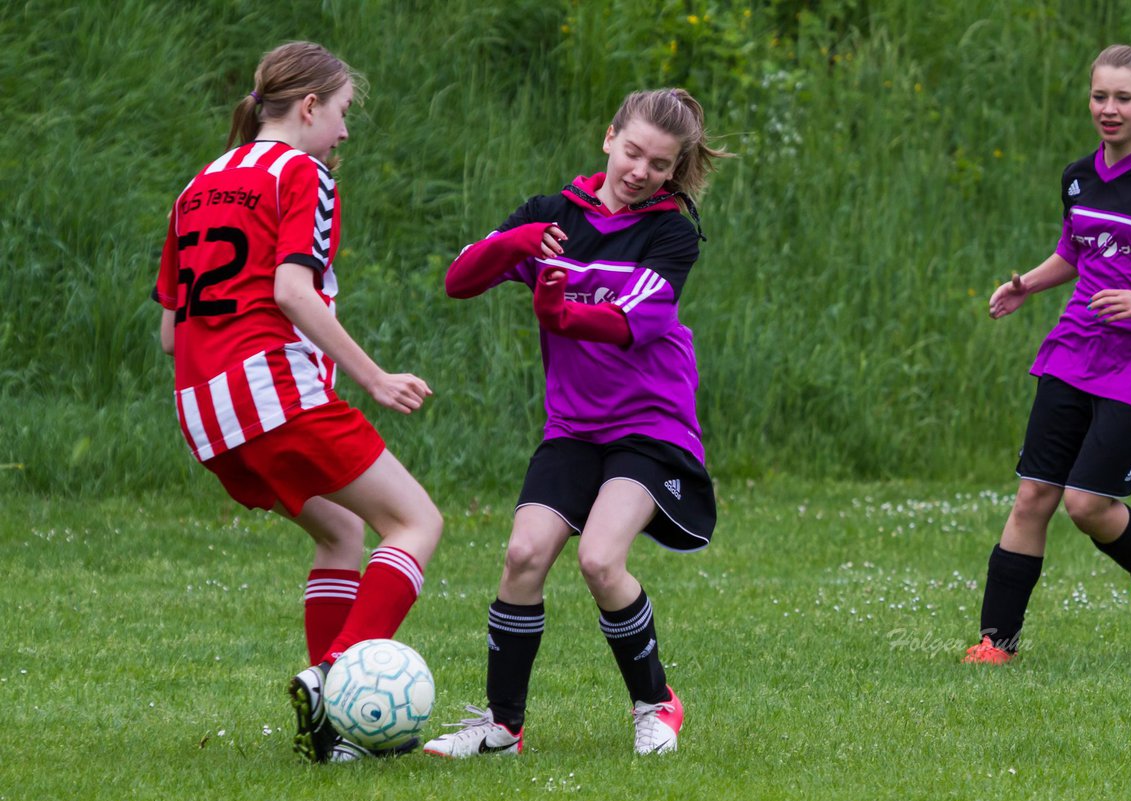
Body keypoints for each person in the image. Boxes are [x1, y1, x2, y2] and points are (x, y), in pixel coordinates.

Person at [152, 42, 444, 760]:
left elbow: (169, 333)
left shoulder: (195, 187)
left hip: (204, 412)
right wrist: (374, 378)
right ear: (310, 107)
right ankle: (334, 676)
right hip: (271, 395)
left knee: (342, 533)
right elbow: (290, 291)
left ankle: (331, 736)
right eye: (342, 113)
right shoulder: (302, 173)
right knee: (415, 522)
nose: (345, 131)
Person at [422, 88, 729, 756]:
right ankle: (503, 728)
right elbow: (458, 279)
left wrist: (563, 314)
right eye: (633, 151)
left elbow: (639, 320)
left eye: (659, 163)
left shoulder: (671, 230)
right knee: (523, 554)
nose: (640, 169)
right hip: (575, 428)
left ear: (674, 172)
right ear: (609, 137)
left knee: (598, 557)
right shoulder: (551, 215)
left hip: (651, 427)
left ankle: (656, 704)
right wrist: (518, 243)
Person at [965, 44, 1131, 664]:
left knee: (1087, 503)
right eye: (1098, 97)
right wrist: (1027, 285)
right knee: (1034, 495)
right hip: (1075, 349)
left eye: (1122, 98)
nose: (1108, 110)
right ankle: (995, 644)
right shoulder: (1078, 175)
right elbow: (1077, 251)